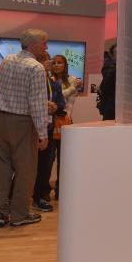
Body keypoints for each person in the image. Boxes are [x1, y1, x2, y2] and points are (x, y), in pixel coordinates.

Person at [0, 29, 50, 228]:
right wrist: (43, 134)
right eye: (44, 43)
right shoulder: (36, 68)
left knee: (1, 168)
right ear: (33, 45)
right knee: (26, 170)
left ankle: (0, 213)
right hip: (22, 122)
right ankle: (19, 214)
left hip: (0, 120)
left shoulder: (7, 60)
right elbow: (37, 103)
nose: (46, 47)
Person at [32, 51, 66, 212]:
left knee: (45, 165)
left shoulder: (54, 84)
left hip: (49, 129)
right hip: (31, 128)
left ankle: (39, 196)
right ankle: (13, 197)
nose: (47, 63)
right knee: (25, 165)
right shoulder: (32, 81)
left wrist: (55, 106)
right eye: (42, 59)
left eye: (47, 60)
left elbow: (61, 104)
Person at [50, 54, 81, 199]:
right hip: (50, 122)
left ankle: (60, 190)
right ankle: (43, 191)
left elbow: (66, 100)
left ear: (65, 65)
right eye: (54, 63)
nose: (56, 65)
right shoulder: (49, 79)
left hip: (66, 121)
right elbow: (57, 98)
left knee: (64, 160)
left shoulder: (73, 79)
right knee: (48, 159)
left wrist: (73, 87)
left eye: (59, 62)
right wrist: (73, 88)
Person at [96, 42, 116, 121]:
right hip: (110, 108)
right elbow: (106, 84)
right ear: (112, 56)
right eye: (117, 53)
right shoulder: (108, 67)